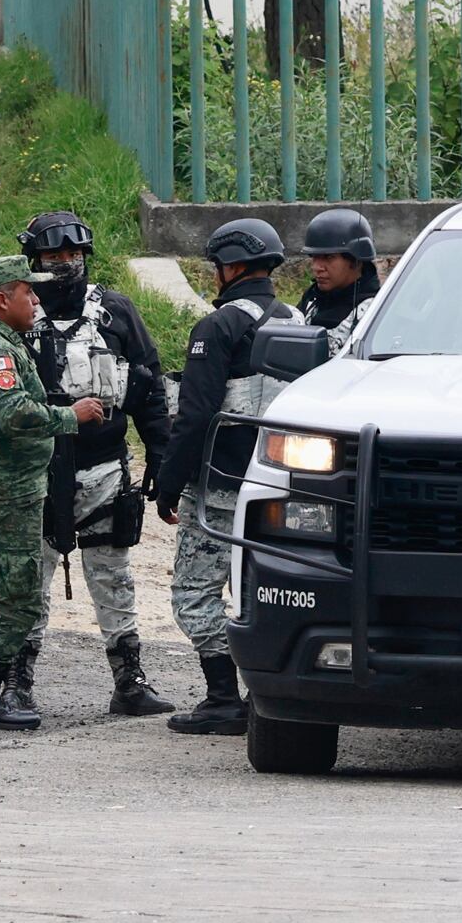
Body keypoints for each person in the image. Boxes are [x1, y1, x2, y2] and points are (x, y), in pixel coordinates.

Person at [20, 212, 177, 717]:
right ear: (33, 261)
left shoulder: (116, 312)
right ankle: (15, 682)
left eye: (74, 255)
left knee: (113, 574)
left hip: (107, 468)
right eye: (52, 257)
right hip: (36, 473)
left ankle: (129, 681)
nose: (65, 265)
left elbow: (150, 390)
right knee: (28, 578)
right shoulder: (18, 312)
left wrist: (161, 456)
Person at [153, 218, 301, 735]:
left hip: (218, 487)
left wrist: (167, 484)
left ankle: (223, 697)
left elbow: (194, 415)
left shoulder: (217, 327)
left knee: (194, 592)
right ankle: (274, 693)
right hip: (281, 488)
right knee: (266, 591)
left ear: (232, 266)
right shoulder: (299, 321)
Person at [0, 255, 106, 730]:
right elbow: (14, 414)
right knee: (15, 593)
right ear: (2, 299)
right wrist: (69, 417)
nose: (36, 300)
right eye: (27, 292)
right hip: (6, 489)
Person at [299, 207, 382, 358]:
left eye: (328, 258)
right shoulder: (312, 301)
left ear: (356, 261)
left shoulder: (375, 311)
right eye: (314, 257)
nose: (317, 267)